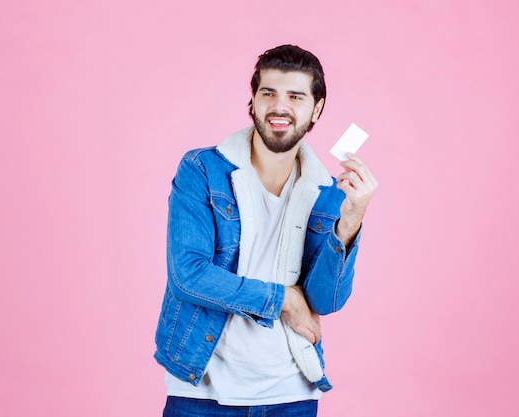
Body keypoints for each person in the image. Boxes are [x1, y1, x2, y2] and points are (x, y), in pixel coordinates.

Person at [154, 44, 378, 417]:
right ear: (253, 101)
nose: (280, 107)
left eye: (295, 96)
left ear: (316, 109)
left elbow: (326, 301)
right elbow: (188, 276)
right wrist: (284, 300)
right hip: (202, 393)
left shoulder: (326, 192)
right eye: (268, 93)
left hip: (291, 394)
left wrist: (351, 220)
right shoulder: (203, 170)